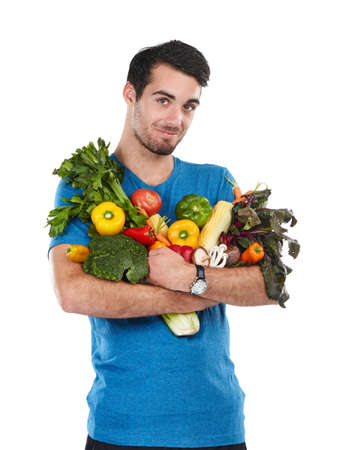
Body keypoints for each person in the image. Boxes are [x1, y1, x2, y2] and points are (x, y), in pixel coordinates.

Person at [49, 40, 277, 450]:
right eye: (163, 100)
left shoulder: (216, 183)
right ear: (129, 94)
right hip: (121, 426)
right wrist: (187, 295)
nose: (176, 118)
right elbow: (72, 292)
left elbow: (268, 283)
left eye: (189, 106)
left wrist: (191, 277)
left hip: (216, 425)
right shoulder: (84, 186)